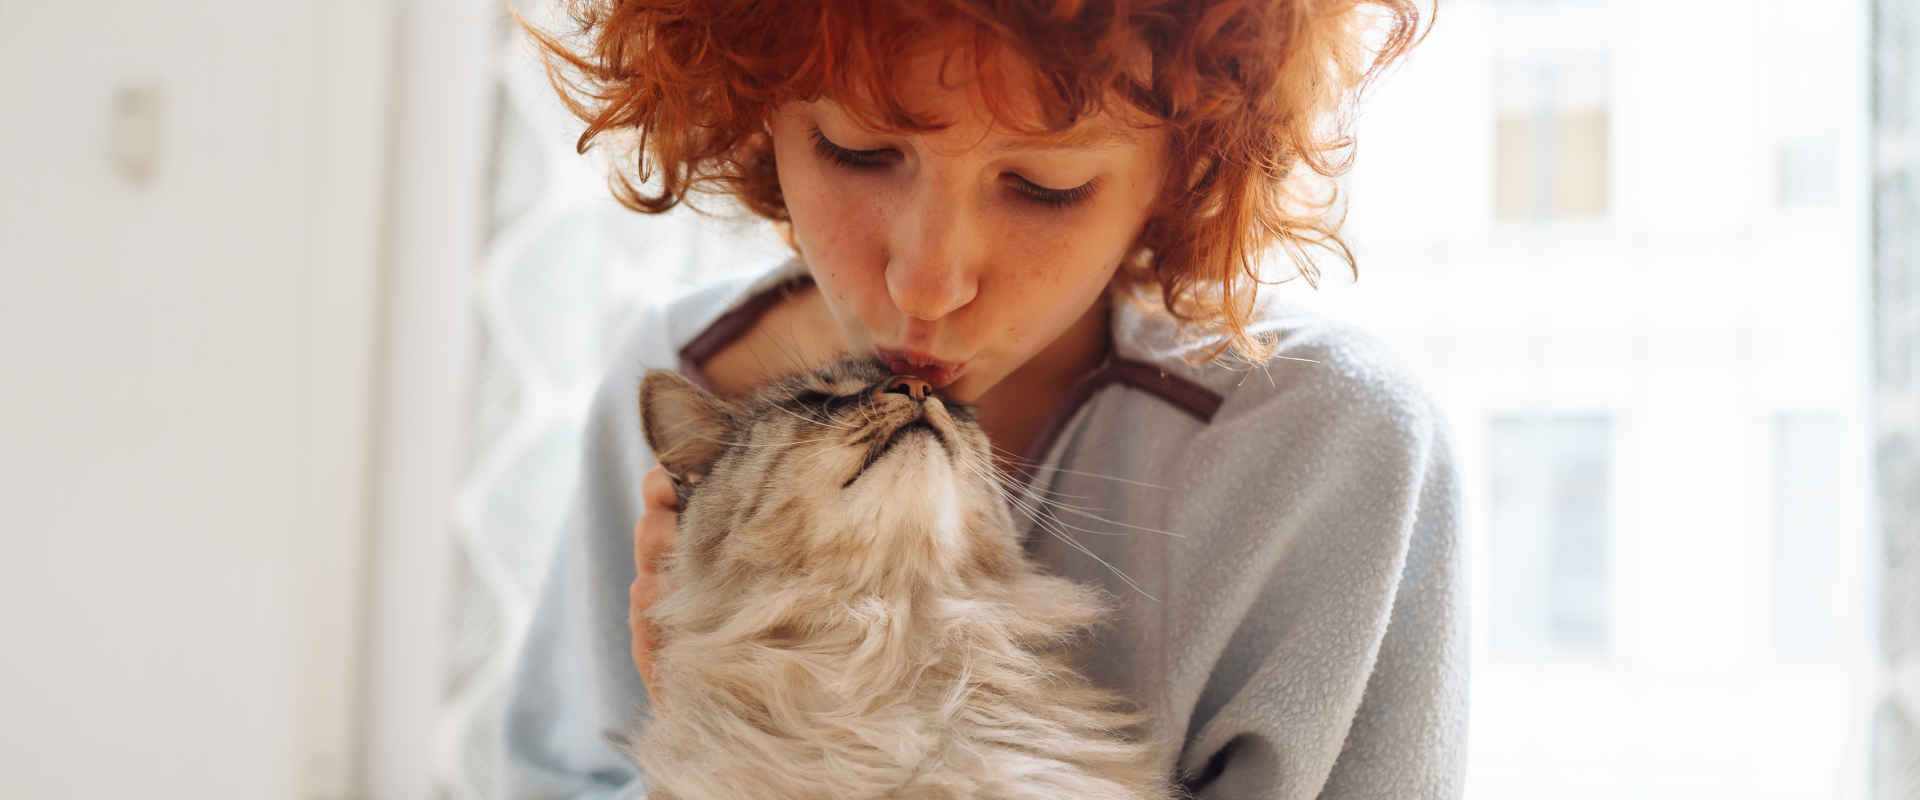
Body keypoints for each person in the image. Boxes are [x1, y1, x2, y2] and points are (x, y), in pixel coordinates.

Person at [502, 0, 1463, 797]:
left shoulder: (1333, 446)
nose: (928, 284)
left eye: (1044, 186)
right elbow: (556, 776)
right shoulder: (685, 364)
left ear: (1183, 175)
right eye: (857, 152)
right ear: (758, 113)